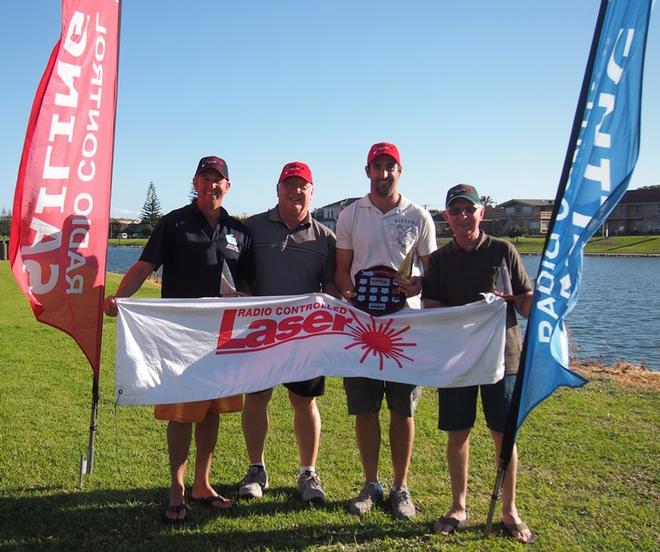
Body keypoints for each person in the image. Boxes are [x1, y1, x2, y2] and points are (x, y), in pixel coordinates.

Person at [103, 156, 254, 523]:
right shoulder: (173, 223)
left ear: (228, 186)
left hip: (222, 337)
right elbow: (143, 266)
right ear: (195, 182)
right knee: (183, 415)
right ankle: (177, 489)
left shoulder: (238, 231)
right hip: (181, 337)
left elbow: (248, 284)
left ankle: (203, 484)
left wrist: (250, 305)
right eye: (205, 178)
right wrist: (121, 298)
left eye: (218, 179)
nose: (211, 185)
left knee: (213, 411)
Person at [421, 183, 536, 544]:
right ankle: (458, 506)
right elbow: (430, 310)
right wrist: (466, 315)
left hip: (504, 359)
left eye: (468, 209)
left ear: (480, 213)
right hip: (457, 361)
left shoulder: (504, 251)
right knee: (459, 433)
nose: (462, 216)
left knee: (504, 436)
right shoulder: (439, 259)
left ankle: (509, 510)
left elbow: (527, 305)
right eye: (455, 211)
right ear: (446, 218)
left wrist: (520, 296)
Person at [334, 142, 437, 520]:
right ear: (367, 171)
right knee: (365, 409)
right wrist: (346, 290)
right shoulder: (350, 214)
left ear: (400, 170)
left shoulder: (419, 216)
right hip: (361, 327)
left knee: (402, 409)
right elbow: (341, 268)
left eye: (389, 167)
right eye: (377, 167)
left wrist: (419, 286)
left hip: (403, 328)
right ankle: (370, 483)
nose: (383, 174)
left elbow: (430, 272)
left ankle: (400, 488)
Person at [238, 161, 338, 505]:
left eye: (303, 186)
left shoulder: (326, 238)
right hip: (260, 331)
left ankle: (308, 472)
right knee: (256, 398)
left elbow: (333, 288)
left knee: (304, 401)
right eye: (289, 184)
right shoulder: (251, 228)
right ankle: (256, 469)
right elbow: (240, 276)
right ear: (277, 189)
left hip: (304, 336)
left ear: (312, 192)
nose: (296, 191)